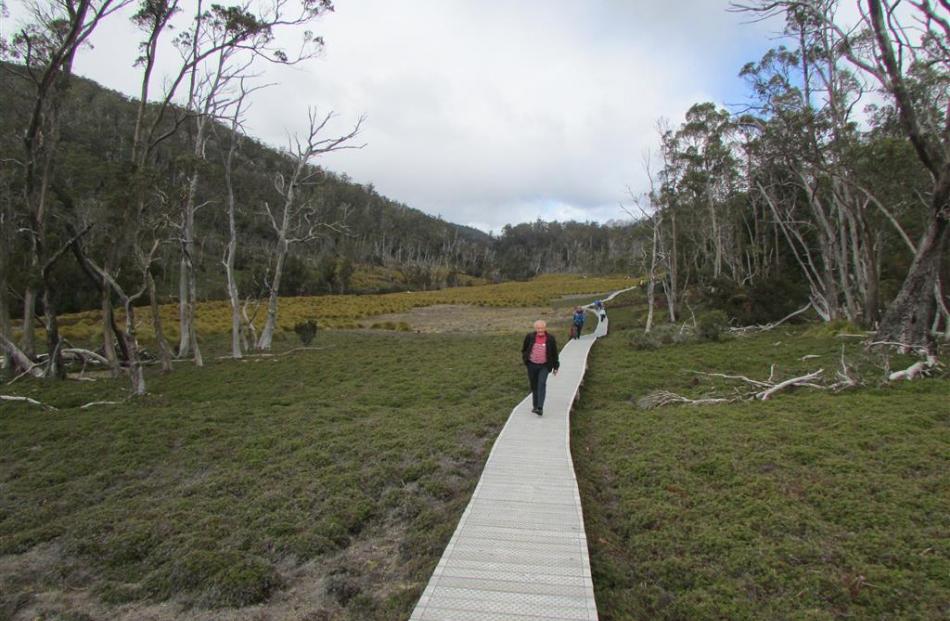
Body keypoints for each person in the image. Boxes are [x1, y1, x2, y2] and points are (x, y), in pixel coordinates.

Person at [521, 320, 560, 415]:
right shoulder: (530, 337)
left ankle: (540, 407)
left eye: (542, 328)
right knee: (534, 386)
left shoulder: (550, 338)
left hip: (544, 366)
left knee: (541, 384)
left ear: (545, 328)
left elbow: (554, 353)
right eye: (538, 328)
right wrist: (526, 360)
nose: (540, 330)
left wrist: (556, 366)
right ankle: (535, 406)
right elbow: (524, 349)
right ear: (535, 328)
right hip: (532, 365)